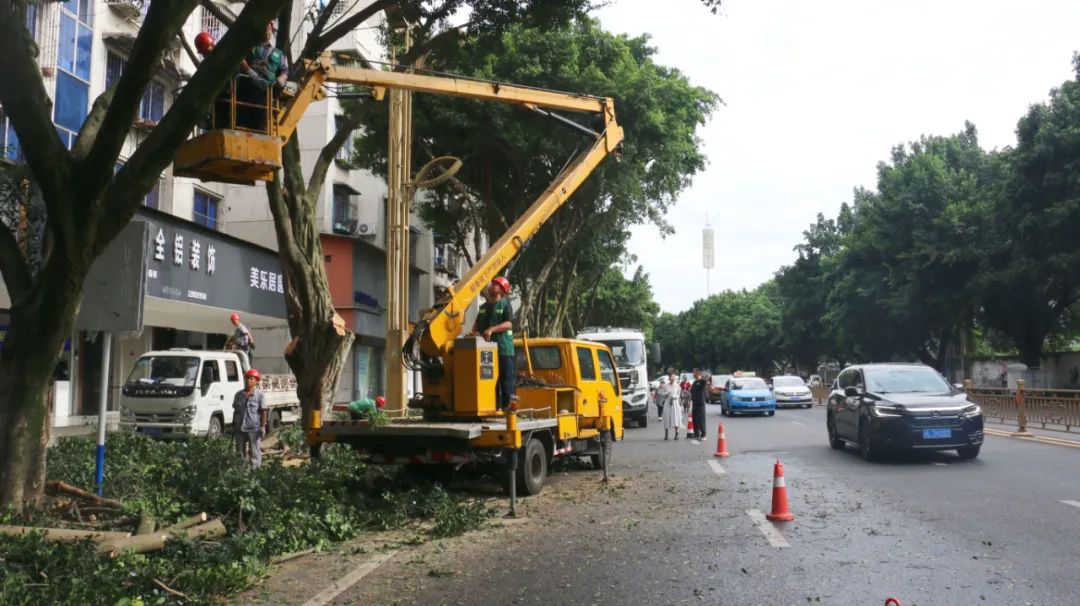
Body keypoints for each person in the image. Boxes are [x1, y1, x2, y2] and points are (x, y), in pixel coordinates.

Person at [471, 276, 516, 410]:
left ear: (502, 290)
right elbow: (476, 325)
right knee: (488, 378)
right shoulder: (483, 307)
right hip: (486, 350)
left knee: (506, 378)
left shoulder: (505, 305)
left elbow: (508, 323)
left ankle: (508, 406)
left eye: (496, 285)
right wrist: (474, 332)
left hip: (503, 348)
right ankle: (493, 406)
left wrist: (491, 329)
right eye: (492, 284)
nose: (492, 286)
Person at [236, 21, 288, 132]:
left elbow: (284, 70)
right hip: (248, 86)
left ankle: (259, 130)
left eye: (269, 29)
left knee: (260, 119)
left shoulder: (278, 54)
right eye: (265, 28)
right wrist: (249, 70)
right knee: (243, 115)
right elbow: (240, 58)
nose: (267, 31)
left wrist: (282, 79)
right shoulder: (250, 48)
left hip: (266, 91)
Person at [233, 368, 267, 469]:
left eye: (251, 379)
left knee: (254, 452)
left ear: (256, 381)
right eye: (247, 378)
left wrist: (262, 426)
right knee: (239, 452)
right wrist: (233, 425)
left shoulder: (260, 395)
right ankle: (241, 474)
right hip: (239, 427)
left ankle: (255, 473)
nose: (248, 381)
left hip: (253, 428)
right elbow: (236, 411)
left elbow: (263, 411)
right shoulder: (239, 395)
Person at [660, 371, 682, 440]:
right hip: (667, 403)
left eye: (674, 377)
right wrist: (667, 393)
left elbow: (679, 395)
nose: (673, 378)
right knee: (666, 418)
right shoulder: (665, 386)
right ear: (669, 378)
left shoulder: (677, 386)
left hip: (675, 403)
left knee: (676, 417)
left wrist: (675, 396)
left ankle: (677, 433)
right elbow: (662, 395)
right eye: (672, 377)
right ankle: (666, 434)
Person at [690, 368, 708, 442]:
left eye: (694, 373)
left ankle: (703, 435)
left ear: (697, 373)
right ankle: (696, 434)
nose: (693, 374)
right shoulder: (695, 382)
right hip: (695, 403)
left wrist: (706, 377)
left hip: (700, 404)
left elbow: (705, 380)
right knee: (695, 419)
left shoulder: (701, 381)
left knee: (701, 420)